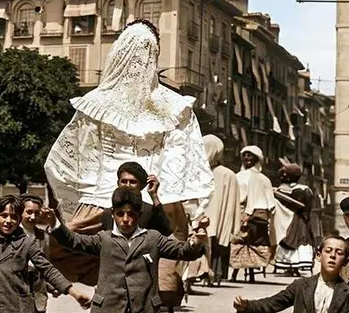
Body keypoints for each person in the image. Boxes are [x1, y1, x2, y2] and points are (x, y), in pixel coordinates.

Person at [44, 19, 214, 286]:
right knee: (157, 268)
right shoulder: (175, 107)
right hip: (155, 200)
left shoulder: (94, 104)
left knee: (78, 249)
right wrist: (189, 208)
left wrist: (72, 200)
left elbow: (65, 162)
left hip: (101, 199)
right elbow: (181, 161)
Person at [47, 186, 205, 313]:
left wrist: (196, 241)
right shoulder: (104, 239)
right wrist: (55, 225)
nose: (126, 219)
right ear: (113, 214)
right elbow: (74, 241)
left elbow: (182, 251)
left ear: (139, 215)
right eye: (120, 214)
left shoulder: (152, 239)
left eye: (131, 214)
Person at [186, 135, 240, 286]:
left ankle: (212, 274)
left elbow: (230, 202)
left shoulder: (226, 174)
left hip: (209, 216)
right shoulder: (195, 171)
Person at [230, 146, 278, 282]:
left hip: (255, 214)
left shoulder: (262, 178)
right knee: (239, 242)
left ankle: (250, 272)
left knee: (253, 242)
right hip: (239, 213)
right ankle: (235, 272)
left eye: (250, 155)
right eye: (244, 155)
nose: (246, 158)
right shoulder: (237, 176)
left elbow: (269, 199)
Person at [273, 164, 315, 277]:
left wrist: (278, 194)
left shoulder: (300, 190)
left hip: (298, 220)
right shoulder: (304, 189)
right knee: (293, 241)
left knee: (297, 241)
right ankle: (292, 267)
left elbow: (297, 204)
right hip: (298, 220)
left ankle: (294, 266)